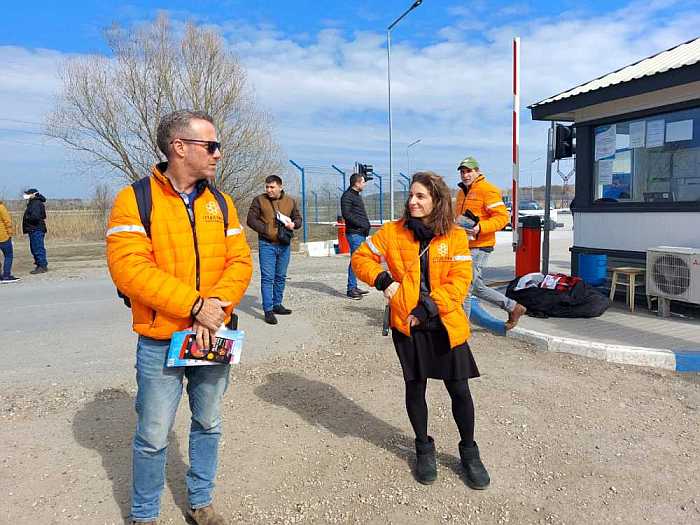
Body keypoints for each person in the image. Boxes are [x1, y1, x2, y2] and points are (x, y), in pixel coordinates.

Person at [106, 110, 252, 525]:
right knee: (153, 436)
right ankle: (144, 514)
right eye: (212, 145)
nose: (219, 154)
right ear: (180, 147)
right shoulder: (133, 200)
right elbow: (130, 269)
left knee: (208, 423)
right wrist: (193, 306)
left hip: (213, 334)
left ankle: (200, 503)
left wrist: (214, 309)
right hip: (160, 340)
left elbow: (239, 262)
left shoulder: (221, 203)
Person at [352, 171, 490, 489]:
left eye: (421, 196)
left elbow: (460, 281)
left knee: (459, 389)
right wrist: (383, 281)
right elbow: (360, 258)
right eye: (411, 196)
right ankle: (423, 448)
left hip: (443, 322)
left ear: (437, 201)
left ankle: (469, 451)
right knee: (415, 388)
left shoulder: (454, 236)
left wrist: (429, 306)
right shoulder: (392, 232)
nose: (412, 202)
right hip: (408, 325)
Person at [455, 156, 526, 330]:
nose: (465, 175)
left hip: (480, 246)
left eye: (468, 171)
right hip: (464, 245)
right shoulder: (460, 192)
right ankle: (513, 307)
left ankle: (460, 331)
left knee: (464, 287)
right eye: (462, 172)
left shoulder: (488, 190)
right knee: (476, 286)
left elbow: (502, 218)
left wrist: (481, 227)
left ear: (478, 171)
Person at [246, 175, 302, 325]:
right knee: (267, 278)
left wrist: (294, 224)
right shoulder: (259, 200)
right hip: (267, 244)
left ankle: (277, 304)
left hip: (284, 244)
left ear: (280, 187)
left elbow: (298, 219)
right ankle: (268, 310)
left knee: (281, 276)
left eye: (272, 187)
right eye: (267, 187)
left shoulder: (290, 201)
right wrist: (266, 229)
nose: (269, 190)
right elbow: (250, 220)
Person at [341, 172, 371, 300]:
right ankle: (351, 288)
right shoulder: (347, 196)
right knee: (355, 260)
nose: (364, 184)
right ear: (357, 183)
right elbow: (347, 215)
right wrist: (362, 225)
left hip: (360, 232)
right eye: (363, 182)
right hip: (355, 233)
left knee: (357, 260)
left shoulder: (356, 196)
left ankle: (354, 286)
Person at [22, 188, 48, 274]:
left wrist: (27, 218)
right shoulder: (33, 203)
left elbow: (36, 217)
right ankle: (39, 264)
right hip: (34, 229)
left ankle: (42, 266)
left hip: (36, 229)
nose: (26, 195)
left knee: (38, 248)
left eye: (28, 194)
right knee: (34, 248)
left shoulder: (35, 203)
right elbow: (43, 215)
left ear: (33, 194)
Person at [0, 200, 20, 283]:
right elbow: (7, 221)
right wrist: (10, 234)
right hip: (3, 236)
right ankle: (6, 275)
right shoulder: (1, 207)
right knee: (8, 255)